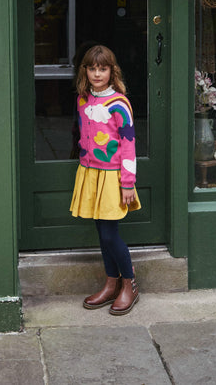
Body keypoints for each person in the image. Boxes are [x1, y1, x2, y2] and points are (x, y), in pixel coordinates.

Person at [70, 44, 141, 315]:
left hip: (113, 177)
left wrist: (127, 183)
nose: (97, 74)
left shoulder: (119, 104)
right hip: (90, 172)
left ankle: (129, 284)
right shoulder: (83, 99)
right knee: (101, 234)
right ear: (85, 71)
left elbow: (128, 145)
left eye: (103, 68)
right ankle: (111, 283)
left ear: (112, 71)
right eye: (92, 68)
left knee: (111, 234)